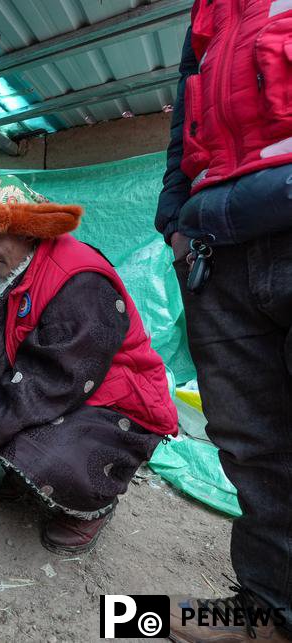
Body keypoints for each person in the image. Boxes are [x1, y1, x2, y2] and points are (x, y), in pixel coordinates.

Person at [0, 175, 177, 553]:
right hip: (60, 390)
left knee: (26, 429)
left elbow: (40, 389)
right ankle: (26, 472)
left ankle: (92, 508)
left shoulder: (79, 280)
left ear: (27, 230)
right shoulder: (1, 277)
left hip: (118, 404)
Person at [155, 2, 292, 640]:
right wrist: (174, 224)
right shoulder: (207, 15)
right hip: (217, 243)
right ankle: (266, 612)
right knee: (250, 447)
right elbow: (185, 120)